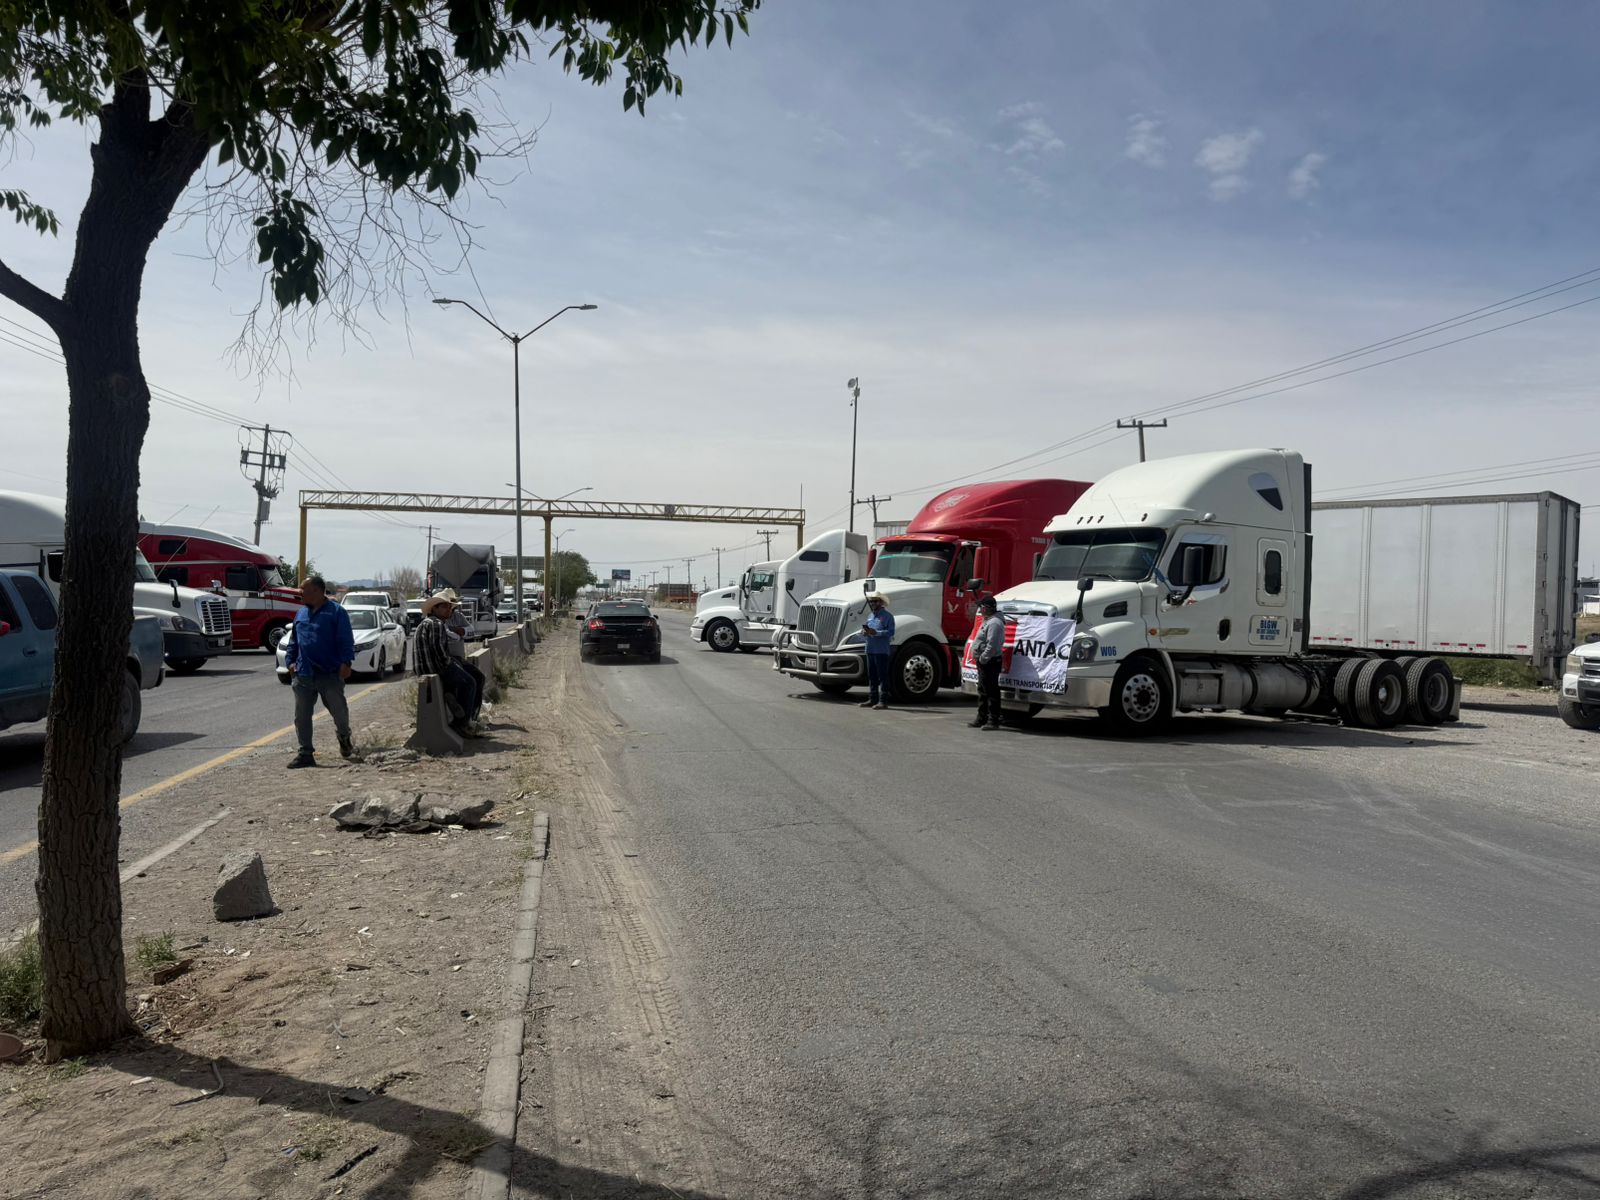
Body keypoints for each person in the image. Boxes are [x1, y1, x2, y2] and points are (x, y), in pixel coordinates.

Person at [284, 574, 355, 768]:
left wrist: (346, 662)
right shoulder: (300, 613)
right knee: (302, 716)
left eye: (303, 590)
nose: (299, 593)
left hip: (330, 674)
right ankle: (305, 753)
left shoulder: (336, 612)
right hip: (303, 674)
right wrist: (290, 662)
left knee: (339, 713)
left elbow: (346, 639)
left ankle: (344, 737)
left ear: (316, 590)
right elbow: (294, 641)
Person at [413, 593, 484, 735]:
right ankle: (463, 723)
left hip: (427, 668)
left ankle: (459, 711)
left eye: (449, 607)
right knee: (469, 682)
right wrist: (450, 665)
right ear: (434, 609)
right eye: (444, 606)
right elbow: (438, 650)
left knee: (468, 679)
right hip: (436, 667)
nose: (448, 610)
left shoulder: (428, 623)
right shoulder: (436, 624)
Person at [970, 595, 1006, 731]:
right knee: (983, 690)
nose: (980, 609)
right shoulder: (989, 621)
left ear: (987, 608)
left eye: (981, 607)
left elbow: (992, 645)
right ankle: (982, 718)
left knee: (991, 690)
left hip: (990, 662)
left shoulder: (995, 623)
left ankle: (993, 720)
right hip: (985, 662)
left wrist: (983, 658)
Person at [859, 592, 895, 710]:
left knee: (882, 676)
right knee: (872, 676)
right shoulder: (870, 616)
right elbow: (866, 632)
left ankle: (883, 701)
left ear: (881, 602)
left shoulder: (888, 616)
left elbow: (891, 632)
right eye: (871, 601)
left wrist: (877, 633)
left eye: (875, 601)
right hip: (870, 649)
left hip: (881, 651)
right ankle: (872, 699)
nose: (873, 603)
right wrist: (864, 633)